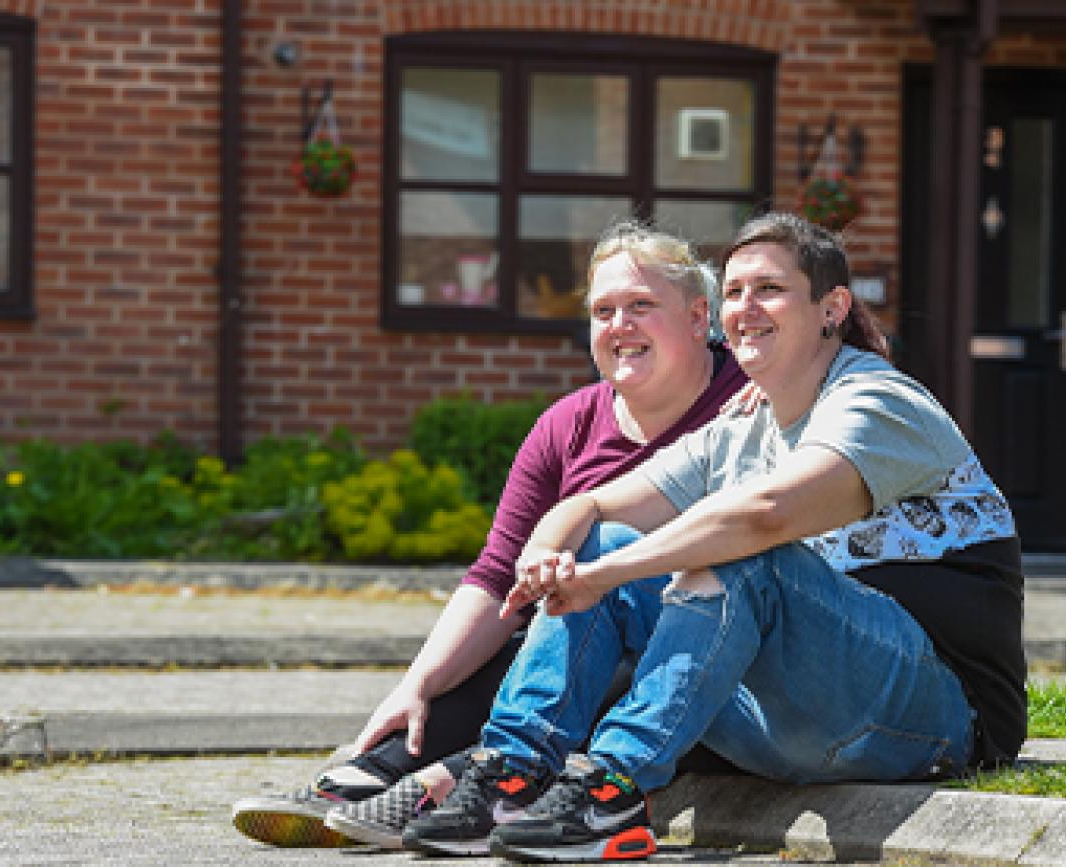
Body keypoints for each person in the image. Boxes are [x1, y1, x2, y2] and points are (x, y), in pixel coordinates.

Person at [400, 211, 1027, 863]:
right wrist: (546, 558)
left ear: (832, 307)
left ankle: (613, 786)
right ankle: (510, 771)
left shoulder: (878, 401)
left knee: (735, 551)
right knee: (606, 540)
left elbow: (767, 515)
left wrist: (602, 577)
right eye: (733, 292)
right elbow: (589, 504)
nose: (745, 307)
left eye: (769, 289)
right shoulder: (737, 427)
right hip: (791, 721)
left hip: (934, 718)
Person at [231, 220, 748, 848]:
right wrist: (416, 684)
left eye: (642, 306)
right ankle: (379, 770)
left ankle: (449, 783)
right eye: (604, 311)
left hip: (695, 660)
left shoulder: (746, 407)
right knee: (521, 644)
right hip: (569, 641)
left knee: (597, 638)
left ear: (700, 318)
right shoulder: (568, 425)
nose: (620, 326)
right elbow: (499, 573)